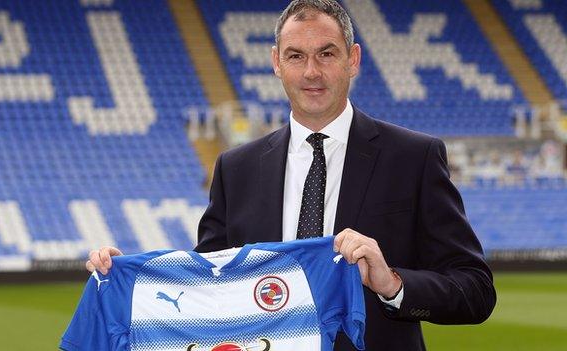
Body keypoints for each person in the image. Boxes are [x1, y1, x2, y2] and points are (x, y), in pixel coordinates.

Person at [87, 0, 496, 349]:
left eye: (327, 54)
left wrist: (391, 283)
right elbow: (208, 289)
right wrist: (134, 281)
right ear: (276, 63)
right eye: (296, 56)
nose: (311, 72)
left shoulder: (413, 157)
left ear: (352, 60)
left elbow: (476, 291)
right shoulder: (236, 169)